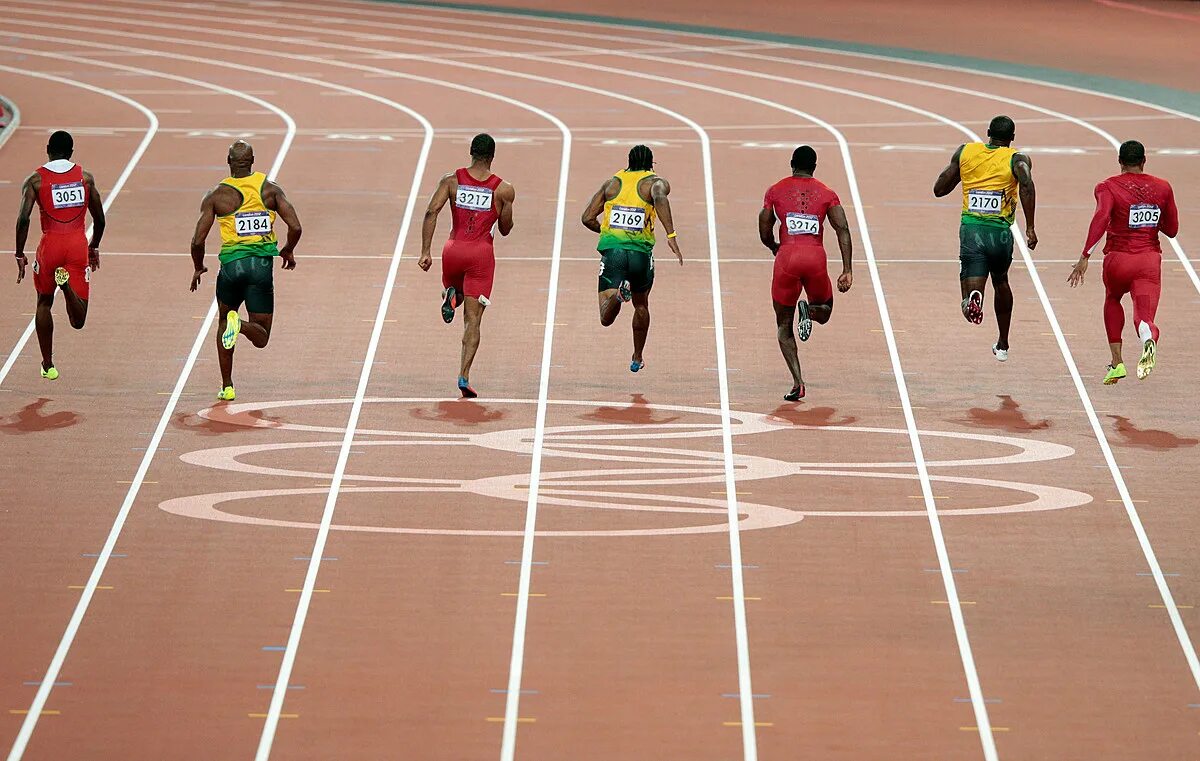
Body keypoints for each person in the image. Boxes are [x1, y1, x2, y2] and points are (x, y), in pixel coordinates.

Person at [189, 140, 301, 401]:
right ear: (252, 161)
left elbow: (197, 240)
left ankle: (227, 385)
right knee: (261, 338)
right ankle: (239, 325)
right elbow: (295, 226)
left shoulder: (216, 195)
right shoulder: (270, 190)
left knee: (222, 322)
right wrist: (287, 249)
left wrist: (198, 267)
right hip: (260, 269)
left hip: (230, 268)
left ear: (228, 161)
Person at [1068, 140, 1178, 384]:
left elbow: (1102, 216)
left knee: (1112, 298)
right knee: (1143, 315)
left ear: (1119, 161)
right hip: (1148, 262)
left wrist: (1085, 255)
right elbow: (1172, 230)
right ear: (1144, 161)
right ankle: (1148, 335)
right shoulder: (1163, 188)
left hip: (1118, 261)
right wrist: (1151, 217)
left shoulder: (1106, 187)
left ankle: (1116, 363)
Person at [418, 133, 515, 399]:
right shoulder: (503, 189)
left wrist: (426, 251)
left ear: (470, 152)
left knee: (454, 291)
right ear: (492, 157)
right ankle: (464, 375)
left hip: (453, 249)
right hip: (480, 255)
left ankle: (451, 295)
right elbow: (505, 229)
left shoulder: (451, 181)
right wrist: (505, 209)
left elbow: (431, 212)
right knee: (473, 320)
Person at [933, 115, 1037, 362]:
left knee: (968, 281)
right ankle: (1003, 343)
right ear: (1012, 138)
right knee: (1001, 281)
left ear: (988, 132)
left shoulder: (966, 151)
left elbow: (939, 189)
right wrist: (1030, 227)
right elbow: (1027, 184)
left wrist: (962, 173)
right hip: (1000, 234)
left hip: (972, 230)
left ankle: (971, 298)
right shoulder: (1017, 159)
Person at [758, 145, 853, 401]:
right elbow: (842, 228)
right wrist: (847, 269)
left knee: (783, 325)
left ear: (792, 163)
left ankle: (798, 382)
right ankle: (809, 311)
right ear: (814, 167)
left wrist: (773, 246)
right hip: (815, 258)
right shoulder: (827, 193)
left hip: (787, 258)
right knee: (825, 312)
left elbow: (764, 226)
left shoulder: (775, 190)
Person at [580, 144, 683, 373]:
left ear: (628, 162)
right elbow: (660, 198)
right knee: (641, 305)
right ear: (651, 163)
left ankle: (618, 296)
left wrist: (608, 232)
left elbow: (587, 217)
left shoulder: (611, 184)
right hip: (640, 255)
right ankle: (637, 356)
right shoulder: (655, 182)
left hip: (614, 253)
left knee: (605, 318)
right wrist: (671, 235)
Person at [14, 130, 105, 380]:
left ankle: (47, 363)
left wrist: (19, 253)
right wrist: (93, 246)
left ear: (47, 149)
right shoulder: (85, 179)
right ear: (72, 152)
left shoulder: (35, 180)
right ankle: (65, 288)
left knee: (43, 302)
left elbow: (23, 219)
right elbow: (100, 218)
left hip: (49, 246)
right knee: (78, 320)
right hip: (77, 244)